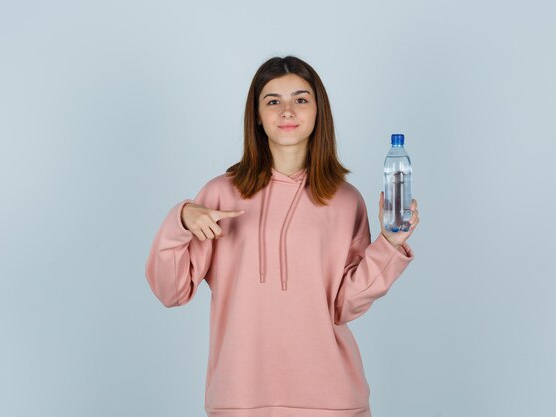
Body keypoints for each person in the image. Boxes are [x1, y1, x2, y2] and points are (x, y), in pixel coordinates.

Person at [145, 55, 419, 417]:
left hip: (332, 400)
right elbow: (171, 291)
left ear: (318, 112)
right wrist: (180, 220)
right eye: (273, 101)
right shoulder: (219, 195)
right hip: (239, 399)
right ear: (257, 115)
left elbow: (344, 305)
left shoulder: (344, 199)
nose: (287, 111)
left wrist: (389, 245)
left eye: (301, 99)